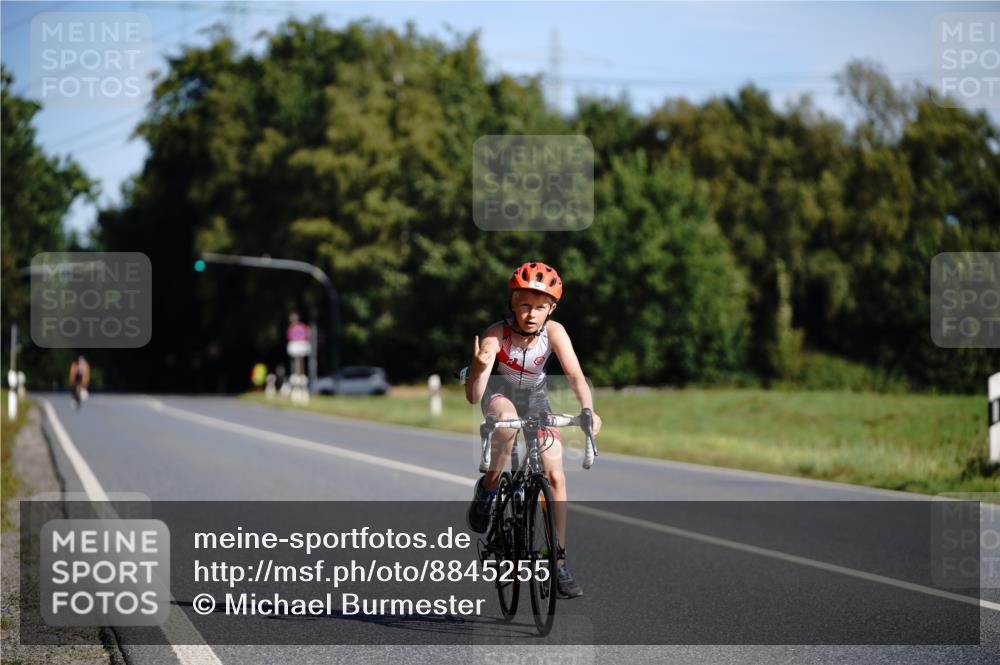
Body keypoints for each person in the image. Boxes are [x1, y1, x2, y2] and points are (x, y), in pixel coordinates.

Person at [464, 261, 602, 599]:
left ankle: (557, 560)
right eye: (524, 304)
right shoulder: (497, 334)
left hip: (537, 399)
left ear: (551, 309)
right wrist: (480, 368)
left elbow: (575, 377)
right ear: (512, 303)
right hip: (500, 396)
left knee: (555, 476)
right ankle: (490, 485)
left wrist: (588, 410)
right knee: (506, 426)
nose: (531, 314)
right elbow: (473, 396)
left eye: (540, 307)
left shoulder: (555, 333)